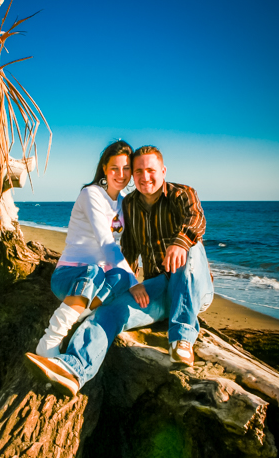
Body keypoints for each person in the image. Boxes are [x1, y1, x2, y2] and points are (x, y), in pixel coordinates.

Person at [26, 145, 213, 396]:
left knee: (190, 250)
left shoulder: (182, 194)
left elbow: (196, 220)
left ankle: (182, 338)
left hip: (194, 286)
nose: (144, 177)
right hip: (160, 287)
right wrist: (130, 283)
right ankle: (74, 368)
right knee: (110, 313)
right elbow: (128, 251)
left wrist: (180, 242)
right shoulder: (130, 204)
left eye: (150, 170)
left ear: (163, 170)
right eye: (138, 171)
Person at [29, 140, 137, 374]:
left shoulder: (123, 203)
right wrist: (136, 283)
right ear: (104, 169)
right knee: (96, 271)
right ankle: (49, 342)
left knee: (121, 278)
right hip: (69, 276)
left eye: (126, 168)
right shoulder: (91, 194)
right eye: (114, 168)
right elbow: (106, 243)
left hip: (97, 280)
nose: (120, 174)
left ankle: (81, 313)